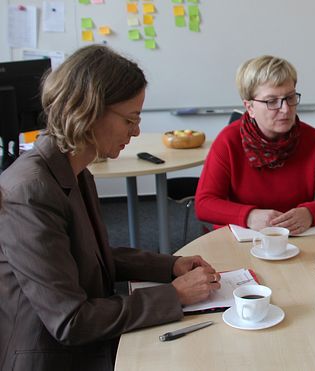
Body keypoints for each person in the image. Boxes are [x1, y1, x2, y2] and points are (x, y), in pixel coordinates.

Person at [0, 45, 221, 371]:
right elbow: (70, 322)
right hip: (48, 356)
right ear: (87, 111)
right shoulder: (30, 191)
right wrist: (174, 296)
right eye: (130, 119)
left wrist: (170, 266)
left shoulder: (73, 168)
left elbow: (91, 253)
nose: (136, 131)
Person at [195, 55, 315, 234]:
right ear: (250, 107)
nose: (285, 109)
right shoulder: (228, 141)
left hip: (295, 237)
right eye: (271, 101)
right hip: (241, 238)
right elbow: (204, 204)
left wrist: (310, 212)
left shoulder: (313, 140)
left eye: (290, 98)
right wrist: (249, 216)